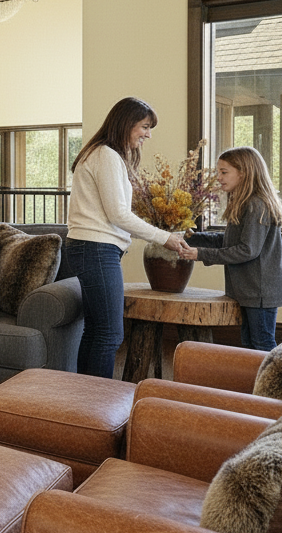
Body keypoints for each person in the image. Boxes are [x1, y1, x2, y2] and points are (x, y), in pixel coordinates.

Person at [58, 97, 186, 378]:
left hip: (89, 247)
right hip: (96, 248)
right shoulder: (106, 155)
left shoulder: (101, 153)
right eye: (144, 126)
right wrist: (165, 238)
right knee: (109, 335)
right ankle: (98, 407)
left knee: (96, 332)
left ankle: (85, 402)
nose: (148, 134)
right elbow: (118, 213)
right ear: (126, 123)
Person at [179, 146, 282, 351]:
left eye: (224, 172)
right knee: (249, 344)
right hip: (250, 289)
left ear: (243, 172)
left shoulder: (256, 205)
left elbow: (247, 250)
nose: (218, 177)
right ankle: (255, 384)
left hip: (259, 290)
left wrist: (199, 253)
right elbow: (229, 241)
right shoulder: (244, 202)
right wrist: (191, 237)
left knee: (262, 344)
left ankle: (275, 384)